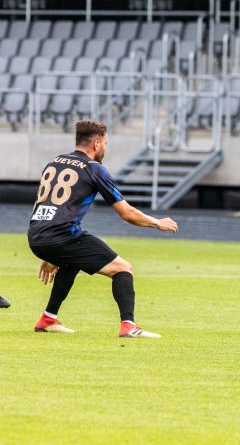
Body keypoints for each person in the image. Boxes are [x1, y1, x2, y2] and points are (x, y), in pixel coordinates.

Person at [27, 120, 178, 338]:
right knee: (122, 269)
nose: (105, 148)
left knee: (71, 262)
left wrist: (48, 248)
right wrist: (157, 222)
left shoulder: (55, 163)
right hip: (59, 236)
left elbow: (42, 204)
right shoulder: (94, 169)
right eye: (105, 143)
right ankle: (128, 326)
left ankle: (48, 319)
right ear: (97, 143)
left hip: (36, 234)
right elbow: (126, 213)